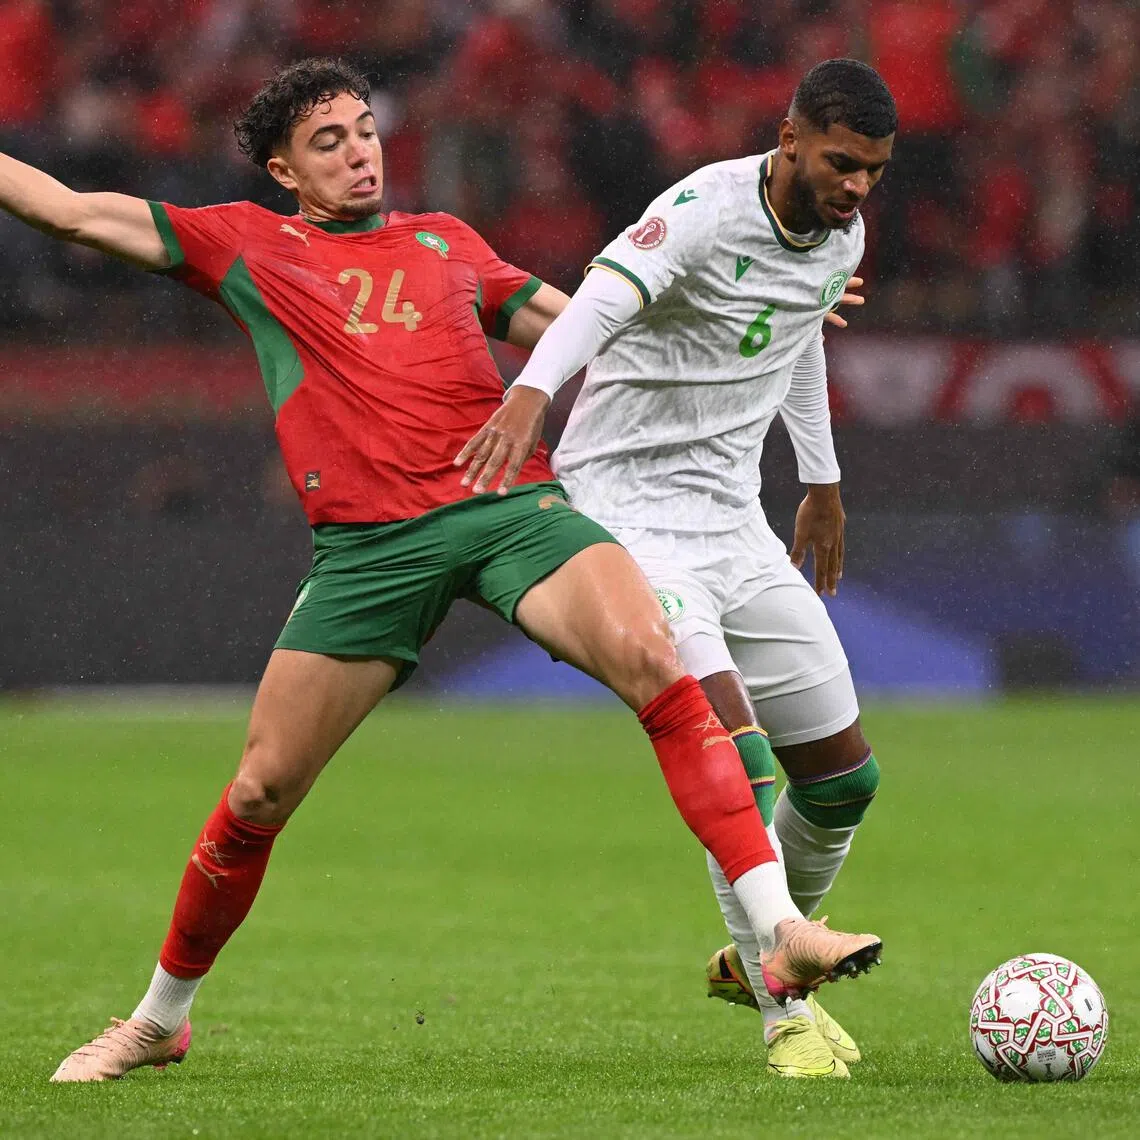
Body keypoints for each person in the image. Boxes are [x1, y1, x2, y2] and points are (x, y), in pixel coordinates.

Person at [0, 58, 882, 1083]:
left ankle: (779, 932)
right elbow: (66, 210)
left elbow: (592, 321)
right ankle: (161, 1018)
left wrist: (757, 308)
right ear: (284, 171)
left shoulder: (446, 243)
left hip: (511, 511)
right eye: (329, 142)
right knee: (259, 792)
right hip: (372, 549)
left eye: (365, 131)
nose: (359, 154)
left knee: (658, 662)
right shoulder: (244, 243)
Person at [457, 58, 896, 1079]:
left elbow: (796, 339)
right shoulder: (701, 208)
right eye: (841, 163)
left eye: (874, 171)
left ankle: (762, 950)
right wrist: (532, 390)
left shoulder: (842, 238)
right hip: (625, 516)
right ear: (790, 140)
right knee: (734, 753)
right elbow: (603, 298)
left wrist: (821, 480)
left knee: (844, 781)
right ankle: (784, 1007)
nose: (857, 187)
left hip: (732, 520)